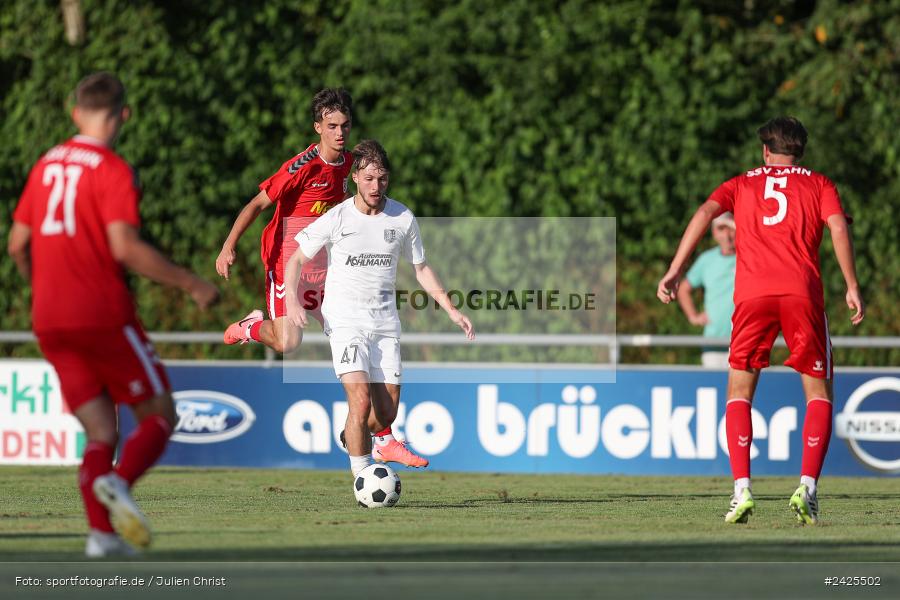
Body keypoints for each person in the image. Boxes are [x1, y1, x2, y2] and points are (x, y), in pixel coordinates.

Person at [7, 72, 218, 557]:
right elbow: (124, 247)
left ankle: (102, 537)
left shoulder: (44, 166)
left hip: (50, 319)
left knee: (101, 430)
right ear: (123, 114)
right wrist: (189, 281)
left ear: (74, 112)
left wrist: (43, 288)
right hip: (100, 312)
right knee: (162, 413)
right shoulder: (111, 169)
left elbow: (17, 243)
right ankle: (120, 483)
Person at [657, 116, 864, 525]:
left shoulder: (741, 183)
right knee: (818, 393)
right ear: (800, 150)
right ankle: (807, 487)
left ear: (765, 152)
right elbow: (838, 226)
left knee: (739, 390)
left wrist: (676, 269)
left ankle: (741, 491)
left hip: (751, 295)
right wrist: (852, 285)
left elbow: (704, 213)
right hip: (801, 293)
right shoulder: (820, 184)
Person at [216, 90, 423, 467]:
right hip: (287, 263)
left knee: (360, 332)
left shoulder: (352, 165)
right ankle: (251, 327)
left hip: (327, 267)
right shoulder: (301, 166)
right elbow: (257, 203)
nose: (339, 132)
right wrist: (229, 245)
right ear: (318, 128)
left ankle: (384, 437)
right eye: (331, 126)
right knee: (288, 342)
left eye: (344, 125)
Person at [283, 140, 474, 479]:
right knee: (359, 400)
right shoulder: (337, 217)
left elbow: (421, 268)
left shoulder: (402, 217)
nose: (376, 186)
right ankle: (363, 477)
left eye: (382, 179)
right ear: (355, 176)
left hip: (385, 322)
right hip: (345, 320)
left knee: (385, 413)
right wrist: (293, 300)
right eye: (369, 178)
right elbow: (296, 259)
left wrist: (451, 309)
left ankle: (355, 436)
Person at [677, 211, 736, 368]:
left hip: (745, 343)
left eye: (731, 228)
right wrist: (693, 316)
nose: (727, 235)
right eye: (722, 229)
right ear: (714, 233)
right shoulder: (707, 260)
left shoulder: (751, 257)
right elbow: (683, 289)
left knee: (741, 392)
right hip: (713, 344)